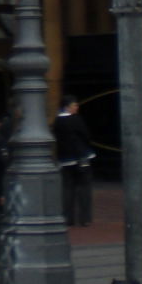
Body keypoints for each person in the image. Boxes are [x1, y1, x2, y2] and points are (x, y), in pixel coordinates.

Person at [52, 95, 94, 227]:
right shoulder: (76, 119)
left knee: (67, 188)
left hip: (65, 158)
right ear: (67, 107)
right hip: (80, 156)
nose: (77, 107)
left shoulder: (57, 121)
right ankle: (85, 218)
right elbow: (86, 135)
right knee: (84, 188)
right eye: (74, 105)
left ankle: (68, 217)